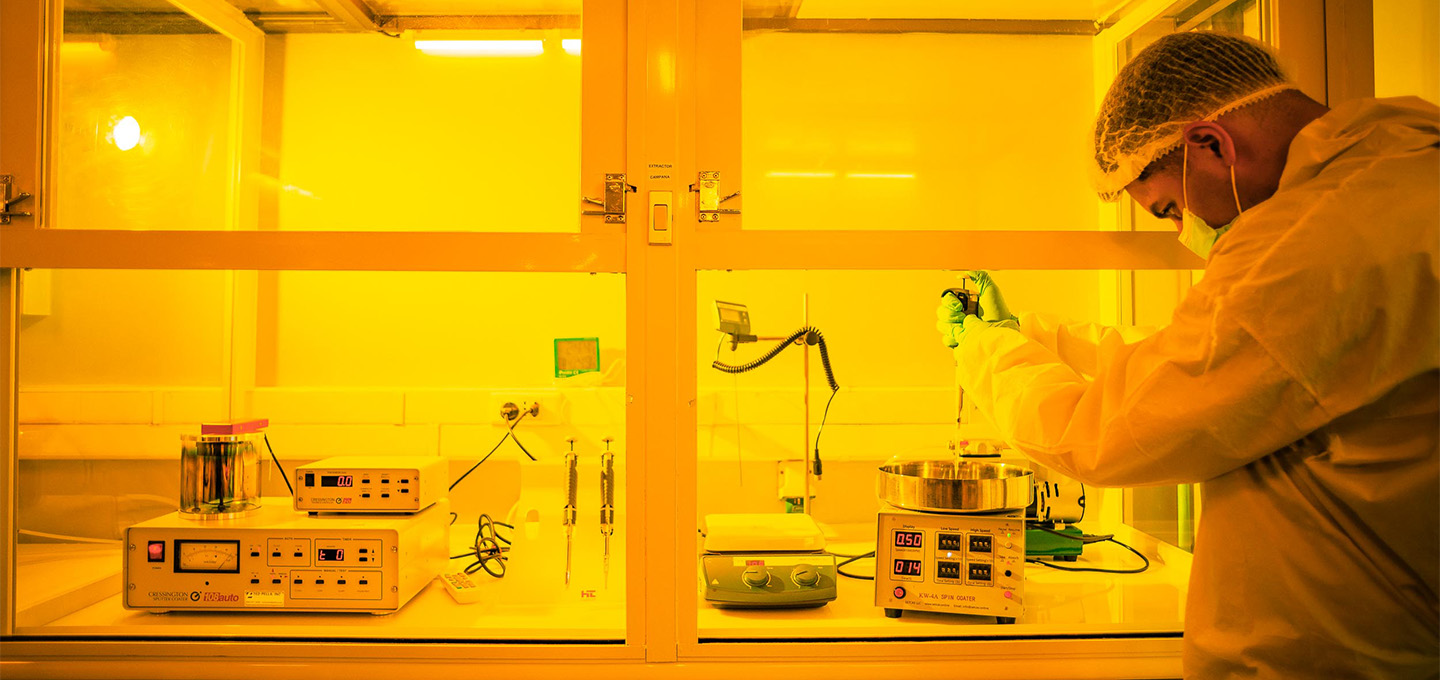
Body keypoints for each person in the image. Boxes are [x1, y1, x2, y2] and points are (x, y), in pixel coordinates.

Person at [935, 32, 1439, 679]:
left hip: (1331, 657)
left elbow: (1101, 434)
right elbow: (1218, 361)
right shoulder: (1393, 177)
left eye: (1172, 208)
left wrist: (984, 348)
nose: (1183, 233)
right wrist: (1035, 332)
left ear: (1212, 145)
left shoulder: (1309, 246)